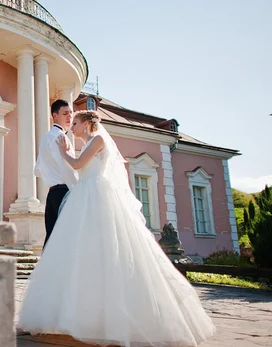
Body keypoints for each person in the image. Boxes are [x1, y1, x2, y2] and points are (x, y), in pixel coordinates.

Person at [18, 110, 215, 347]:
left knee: (105, 248)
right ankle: (78, 313)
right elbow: (79, 168)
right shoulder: (89, 142)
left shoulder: (98, 139)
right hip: (84, 194)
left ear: (87, 123)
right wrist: (68, 154)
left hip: (96, 195)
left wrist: (64, 153)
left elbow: (79, 165)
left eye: (76, 123)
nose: (72, 127)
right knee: (81, 252)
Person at [33, 100, 78, 246]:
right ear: (55, 116)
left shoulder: (46, 137)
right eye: (65, 113)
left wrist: (51, 174)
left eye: (71, 113)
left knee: (51, 238)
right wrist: (77, 188)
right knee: (65, 238)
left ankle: (46, 269)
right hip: (64, 191)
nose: (69, 117)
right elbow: (68, 167)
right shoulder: (61, 137)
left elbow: (37, 169)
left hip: (52, 193)